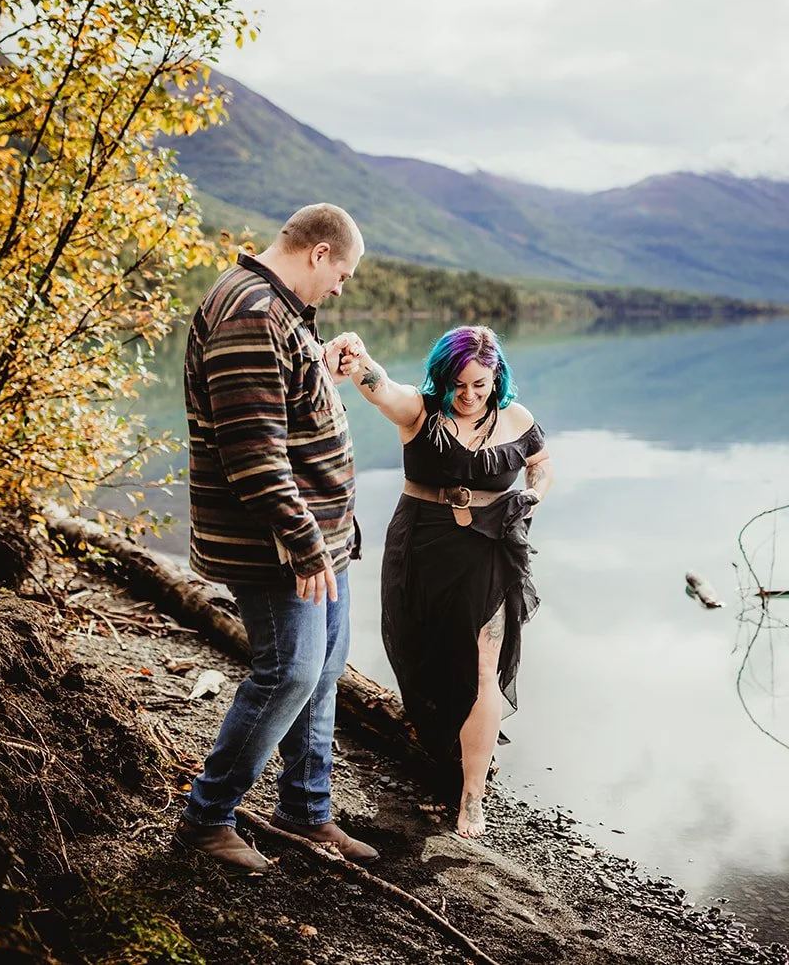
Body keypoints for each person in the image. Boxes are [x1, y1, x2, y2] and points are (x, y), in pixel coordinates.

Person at [174, 203, 379, 872]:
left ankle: (305, 811)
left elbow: (277, 398)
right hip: (277, 547)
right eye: (342, 274)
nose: (341, 288)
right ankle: (206, 818)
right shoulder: (251, 312)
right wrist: (306, 541)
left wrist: (319, 359)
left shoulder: (277, 315)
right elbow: (252, 452)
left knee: (321, 674)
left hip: (319, 541)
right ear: (319, 253)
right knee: (289, 671)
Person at [337, 325, 552, 838]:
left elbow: (541, 465)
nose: (470, 395)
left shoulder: (516, 419)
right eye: (460, 384)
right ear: (442, 376)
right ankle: (446, 755)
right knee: (422, 657)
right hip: (421, 547)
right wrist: (359, 357)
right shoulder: (420, 410)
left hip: (490, 550)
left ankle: (472, 798)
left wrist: (534, 497)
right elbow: (380, 386)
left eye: (481, 384)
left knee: (483, 663)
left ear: (496, 377)